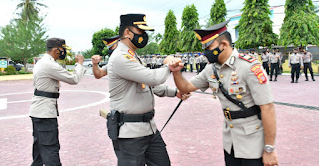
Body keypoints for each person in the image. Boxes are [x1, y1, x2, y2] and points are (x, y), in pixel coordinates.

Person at [169, 20, 278, 166]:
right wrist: (176, 72)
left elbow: (268, 108)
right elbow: (186, 87)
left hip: (253, 142)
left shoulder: (249, 67)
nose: (205, 52)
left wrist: (269, 149)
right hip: (230, 140)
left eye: (209, 47)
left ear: (224, 45)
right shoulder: (211, 69)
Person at [107, 14, 189, 166]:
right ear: (127, 33)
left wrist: (175, 92)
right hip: (130, 133)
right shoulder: (120, 57)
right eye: (140, 31)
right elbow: (153, 78)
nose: (143, 36)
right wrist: (168, 66)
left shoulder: (133, 56)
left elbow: (149, 84)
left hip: (149, 129)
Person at [29, 38, 86, 166]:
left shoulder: (43, 62)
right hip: (45, 113)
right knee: (50, 148)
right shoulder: (49, 65)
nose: (64, 52)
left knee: (39, 150)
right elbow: (74, 79)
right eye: (63, 50)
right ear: (56, 50)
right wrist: (80, 64)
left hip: (39, 111)